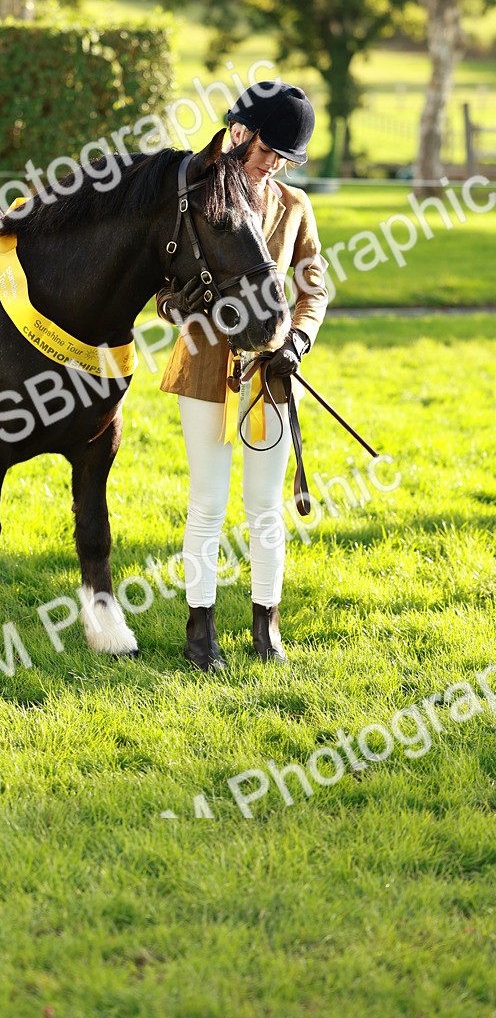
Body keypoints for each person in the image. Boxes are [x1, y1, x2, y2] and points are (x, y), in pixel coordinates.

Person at [156, 82, 329, 670]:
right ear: (237, 135)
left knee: (265, 505)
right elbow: (163, 290)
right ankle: (199, 631)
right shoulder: (198, 200)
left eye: (283, 158)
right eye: (266, 153)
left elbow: (312, 289)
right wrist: (190, 307)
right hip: (207, 368)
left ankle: (266, 626)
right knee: (206, 503)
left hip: (272, 372)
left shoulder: (295, 207)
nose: (272, 167)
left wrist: (296, 342)